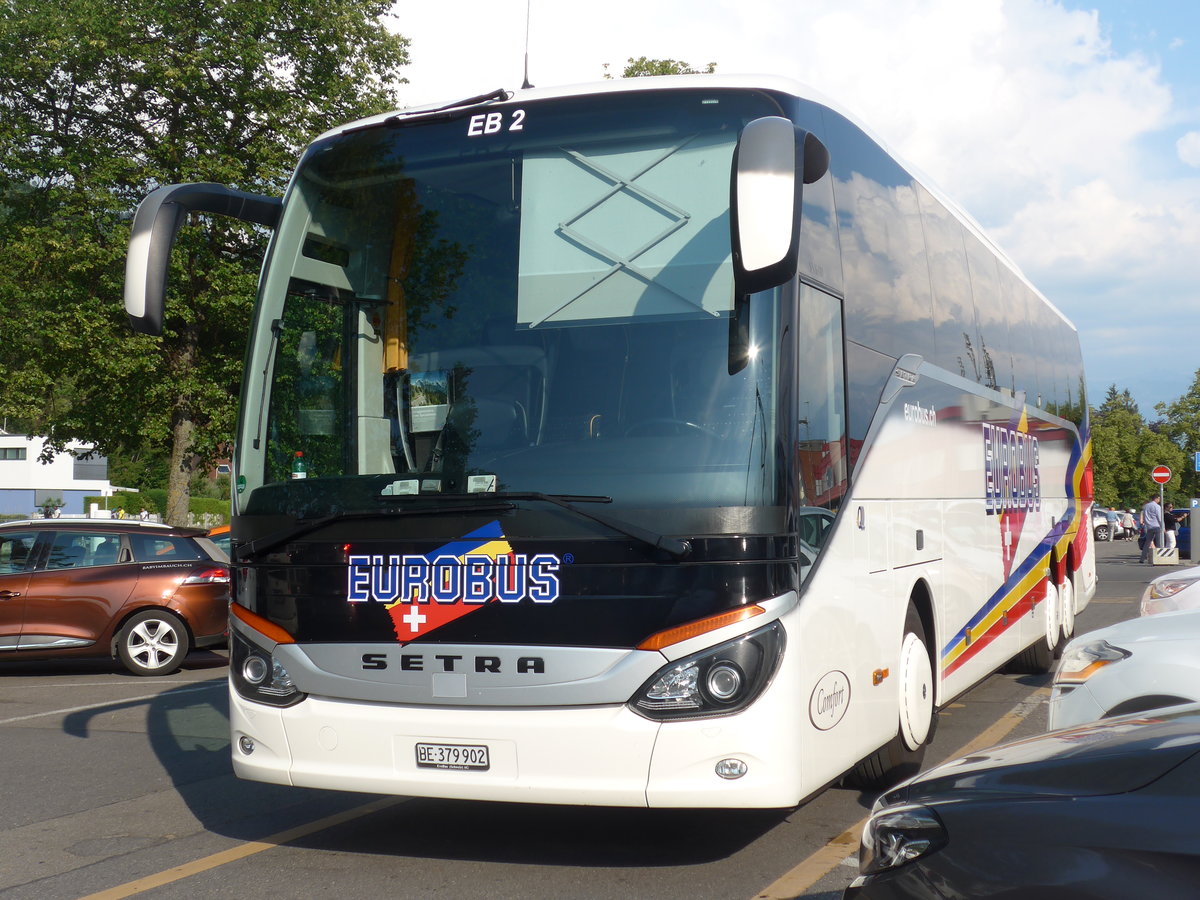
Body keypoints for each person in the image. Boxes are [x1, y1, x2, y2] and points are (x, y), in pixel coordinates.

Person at [1140, 495, 1163, 563]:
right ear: (1156, 498)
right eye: (1159, 499)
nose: (1159, 500)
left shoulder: (1146, 506)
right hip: (1157, 526)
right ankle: (1159, 558)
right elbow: (1159, 517)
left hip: (1149, 526)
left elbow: (1144, 516)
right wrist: (1163, 526)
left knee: (1147, 543)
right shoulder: (1157, 506)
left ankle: (1142, 558)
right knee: (1159, 543)